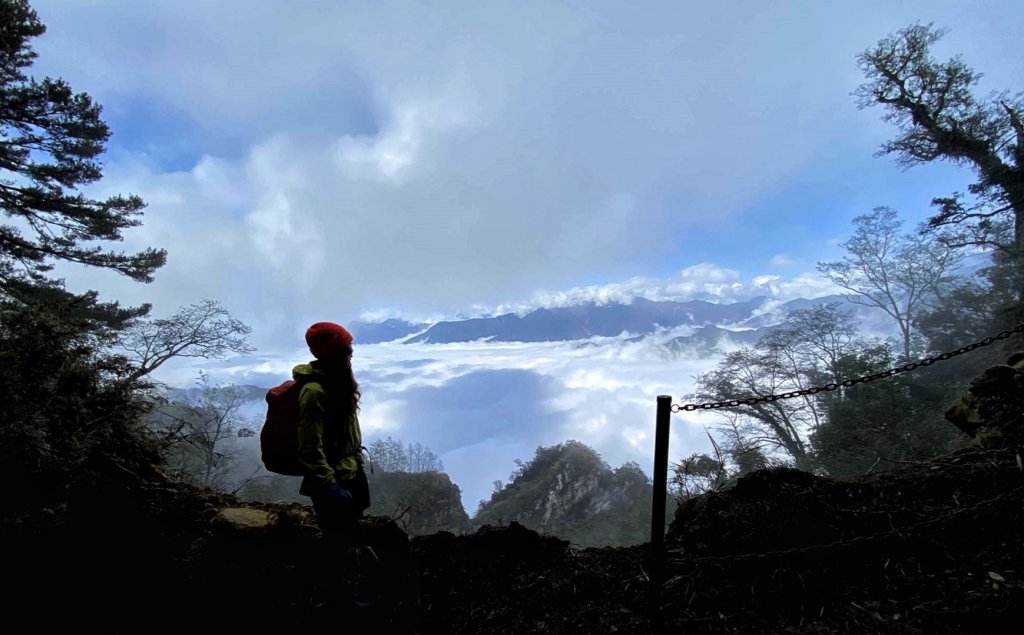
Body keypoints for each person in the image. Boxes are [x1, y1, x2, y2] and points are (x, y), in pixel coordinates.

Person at [295, 321, 371, 545]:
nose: (351, 353)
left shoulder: (336, 384)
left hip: (350, 472)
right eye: (347, 348)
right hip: (333, 480)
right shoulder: (314, 391)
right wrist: (329, 485)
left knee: (354, 534)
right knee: (339, 541)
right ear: (335, 353)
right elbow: (309, 446)